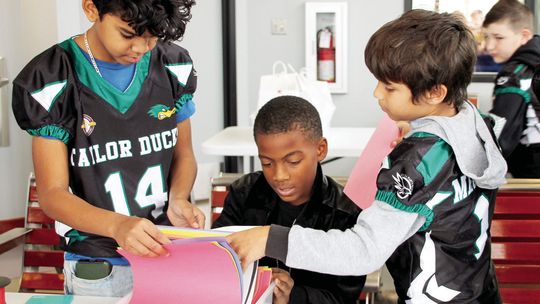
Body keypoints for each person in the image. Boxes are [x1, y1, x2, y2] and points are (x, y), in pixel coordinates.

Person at [227, 9, 508, 303]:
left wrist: (271, 239)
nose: (377, 94)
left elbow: (363, 251)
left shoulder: (415, 162)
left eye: (389, 87)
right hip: (478, 291)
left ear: (434, 93)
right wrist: (420, 129)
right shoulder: (474, 125)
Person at [11, 0, 205, 297]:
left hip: (166, 253)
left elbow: (184, 155)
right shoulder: (52, 76)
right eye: (128, 34)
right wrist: (117, 226)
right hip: (98, 265)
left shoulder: (172, 66)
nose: (140, 48)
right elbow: (52, 195)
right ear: (91, 9)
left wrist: (178, 197)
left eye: (152, 37)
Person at [212, 96, 365, 304]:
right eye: (267, 163)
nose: (279, 175)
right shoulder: (244, 193)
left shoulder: (344, 213)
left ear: (320, 150)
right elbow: (218, 259)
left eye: (293, 161)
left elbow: (343, 297)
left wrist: (294, 296)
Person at [483, 0, 540, 177]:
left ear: (524, 36)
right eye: (486, 37)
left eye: (498, 38)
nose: (489, 46)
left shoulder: (515, 75)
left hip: (531, 177)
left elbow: (498, 139)